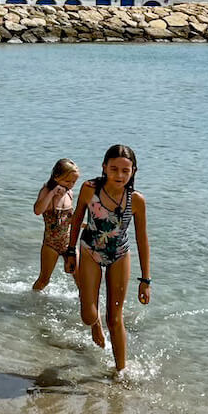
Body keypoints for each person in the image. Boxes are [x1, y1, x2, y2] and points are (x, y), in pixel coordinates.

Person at [64, 144, 151, 373]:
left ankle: (120, 372)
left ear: (133, 171)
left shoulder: (137, 201)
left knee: (116, 318)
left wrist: (145, 280)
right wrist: (71, 251)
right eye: (114, 169)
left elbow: (142, 241)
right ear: (104, 167)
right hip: (90, 251)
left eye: (125, 170)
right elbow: (76, 220)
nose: (119, 175)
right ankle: (95, 324)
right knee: (87, 315)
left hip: (119, 255)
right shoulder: (89, 189)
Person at [32, 157, 80, 290]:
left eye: (74, 182)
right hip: (51, 244)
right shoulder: (46, 191)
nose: (70, 184)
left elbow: (69, 219)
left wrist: (86, 226)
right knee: (44, 280)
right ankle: (31, 302)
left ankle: (86, 306)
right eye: (67, 181)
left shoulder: (69, 193)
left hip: (69, 243)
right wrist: (53, 193)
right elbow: (37, 210)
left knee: (80, 279)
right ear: (56, 177)